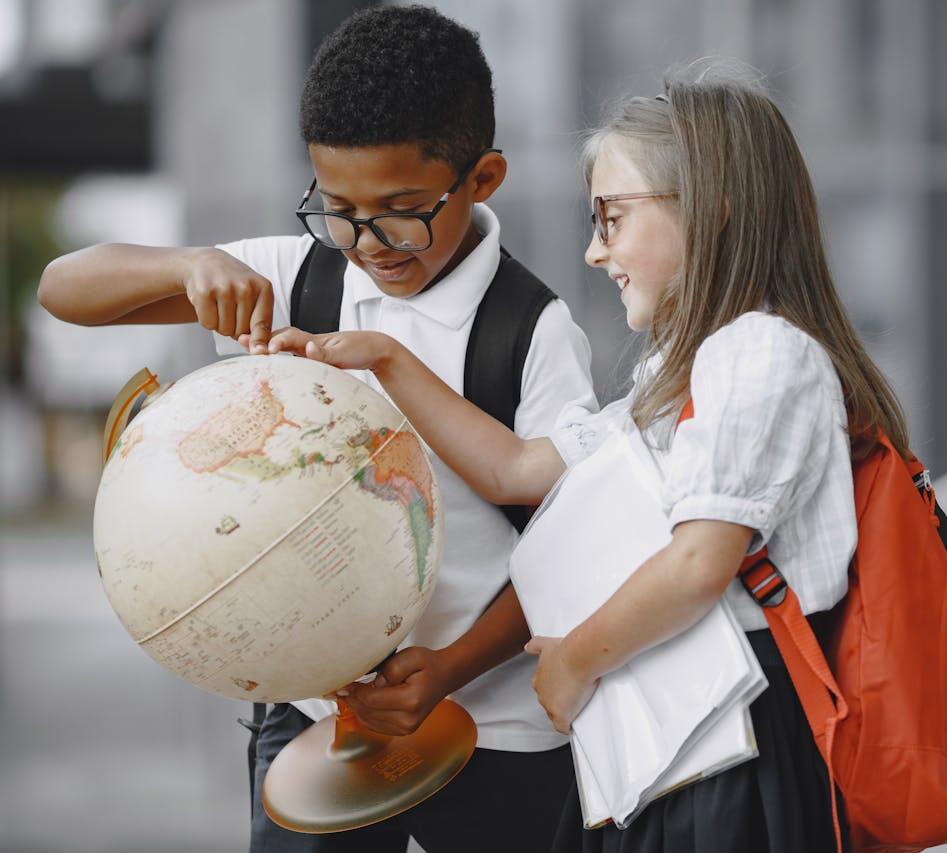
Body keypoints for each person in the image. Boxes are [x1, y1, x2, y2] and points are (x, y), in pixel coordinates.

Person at [257, 62, 912, 853]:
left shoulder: (757, 353)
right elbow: (519, 470)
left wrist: (573, 660)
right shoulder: (677, 369)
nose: (597, 253)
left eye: (612, 218)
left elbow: (699, 563)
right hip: (689, 747)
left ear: (712, 211)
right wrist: (384, 358)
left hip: (735, 746)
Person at [37, 6, 596, 852]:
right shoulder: (297, 274)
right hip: (314, 724)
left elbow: (567, 550)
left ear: (482, 179)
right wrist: (188, 265)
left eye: (401, 209)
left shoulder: (532, 331)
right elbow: (61, 288)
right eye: (338, 207)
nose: (367, 242)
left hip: (499, 725)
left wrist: (450, 669)